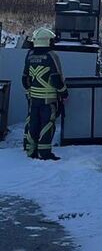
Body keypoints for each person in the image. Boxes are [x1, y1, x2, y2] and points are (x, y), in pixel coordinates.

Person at [22, 27, 68, 161]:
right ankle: (44, 153)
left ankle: (31, 150)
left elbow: (24, 78)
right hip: (48, 99)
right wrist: (64, 93)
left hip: (33, 98)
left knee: (33, 123)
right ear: (47, 41)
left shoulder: (29, 55)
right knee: (47, 123)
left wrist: (30, 91)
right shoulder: (52, 56)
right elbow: (56, 78)